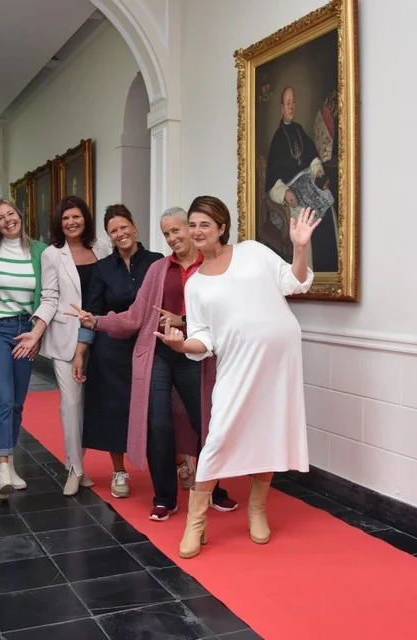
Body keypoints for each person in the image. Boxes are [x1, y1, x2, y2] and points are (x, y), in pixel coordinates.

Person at [155, 196, 318, 559]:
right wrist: (180, 345)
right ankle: (196, 522)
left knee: (269, 433)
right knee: (218, 437)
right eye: (192, 225)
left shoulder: (253, 252)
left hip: (279, 364)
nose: (197, 231)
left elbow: (295, 282)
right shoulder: (195, 284)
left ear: (222, 227)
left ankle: (257, 509)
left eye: (204, 224)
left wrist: (299, 248)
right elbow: (204, 339)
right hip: (237, 365)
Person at [68, 207, 237, 521]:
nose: (172, 238)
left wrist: (182, 320)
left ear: (191, 229)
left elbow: (226, 313)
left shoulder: (211, 266)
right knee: (158, 424)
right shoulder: (159, 269)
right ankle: (164, 498)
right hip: (159, 354)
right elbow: (134, 317)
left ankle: (212, 489)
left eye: (176, 230)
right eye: (166, 234)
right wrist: (97, 321)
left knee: (206, 423)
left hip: (196, 354)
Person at [13, 195, 110, 495]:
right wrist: (36, 331)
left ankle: (85, 463)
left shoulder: (102, 248)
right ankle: (75, 469)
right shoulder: (52, 254)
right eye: (66, 218)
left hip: (102, 335)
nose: (71, 222)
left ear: (85, 219)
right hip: (66, 338)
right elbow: (50, 297)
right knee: (71, 404)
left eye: (76, 216)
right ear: (59, 222)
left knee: (95, 406)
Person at [74, 205, 162, 499]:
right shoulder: (102, 268)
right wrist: (81, 353)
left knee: (158, 408)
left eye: (124, 227)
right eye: (113, 230)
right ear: (108, 236)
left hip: (150, 345)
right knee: (113, 409)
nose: (120, 233)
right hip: (111, 350)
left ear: (134, 226)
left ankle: (174, 462)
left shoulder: (156, 262)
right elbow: (91, 313)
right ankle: (119, 470)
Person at [0, 199, 47, 499]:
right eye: (0, 218)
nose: (7, 220)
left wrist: (37, 333)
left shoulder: (40, 251)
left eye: (11, 213)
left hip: (26, 332)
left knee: (18, 402)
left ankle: (11, 462)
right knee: (3, 398)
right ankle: (2, 467)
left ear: (20, 215)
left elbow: (49, 293)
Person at [264, 85, 338, 272]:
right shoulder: (278, 139)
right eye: (288, 103)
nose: (291, 107)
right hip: (293, 189)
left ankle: (331, 268)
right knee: (306, 217)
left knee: (327, 206)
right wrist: (285, 192)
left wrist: (318, 172)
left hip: (309, 183)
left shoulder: (299, 130)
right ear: (282, 108)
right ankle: (312, 271)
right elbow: (272, 179)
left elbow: (312, 159)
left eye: (293, 102)